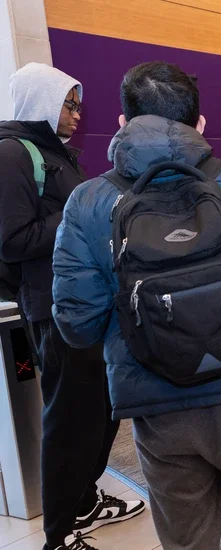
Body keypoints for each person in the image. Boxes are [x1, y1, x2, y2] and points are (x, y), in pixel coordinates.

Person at [51, 61, 221, 550]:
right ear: (201, 125)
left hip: (159, 404)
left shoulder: (86, 203)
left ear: (123, 125)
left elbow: (77, 325)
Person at [0, 63, 144, 550]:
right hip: (55, 307)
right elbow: (11, 240)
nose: (78, 113)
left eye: (79, 103)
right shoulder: (12, 155)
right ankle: (57, 535)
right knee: (69, 421)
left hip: (93, 303)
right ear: (40, 100)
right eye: (68, 103)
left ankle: (84, 499)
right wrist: (81, 209)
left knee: (104, 411)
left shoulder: (55, 155)